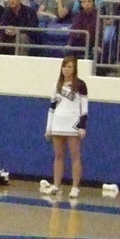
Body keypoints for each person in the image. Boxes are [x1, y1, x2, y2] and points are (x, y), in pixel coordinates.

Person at [41, 56, 87, 199]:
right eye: (64, 66)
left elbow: (84, 108)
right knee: (59, 155)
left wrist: (82, 126)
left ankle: (75, 187)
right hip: (57, 123)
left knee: (75, 155)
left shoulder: (80, 85)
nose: (66, 69)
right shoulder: (56, 85)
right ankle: (56, 185)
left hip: (73, 123)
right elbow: (52, 107)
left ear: (74, 69)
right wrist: (48, 127)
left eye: (69, 67)